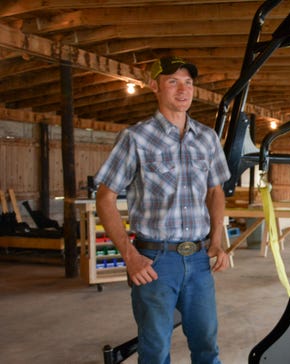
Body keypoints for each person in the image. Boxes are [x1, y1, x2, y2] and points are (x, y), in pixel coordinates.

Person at [95, 56, 231, 364]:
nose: (183, 90)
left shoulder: (207, 138)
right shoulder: (136, 138)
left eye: (188, 83)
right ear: (155, 86)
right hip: (155, 261)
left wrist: (216, 242)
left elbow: (215, 191)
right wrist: (129, 256)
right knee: (155, 350)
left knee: (207, 346)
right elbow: (105, 197)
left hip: (198, 261)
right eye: (173, 81)